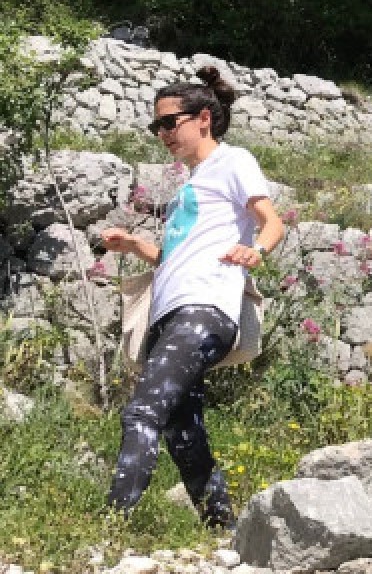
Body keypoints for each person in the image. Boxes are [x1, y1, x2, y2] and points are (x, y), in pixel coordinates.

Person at [99, 66, 285, 527]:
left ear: (203, 118)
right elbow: (173, 254)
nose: (162, 133)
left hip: (203, 310)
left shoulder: (233, 161)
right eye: (155, 125)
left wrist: (256, 250)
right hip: (173, 310)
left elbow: (272, 221)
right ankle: (221, 527)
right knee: (184, 433)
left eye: (169, 122)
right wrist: (134, 246)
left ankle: (110, 524)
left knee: (141, 411)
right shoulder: (192, 183)